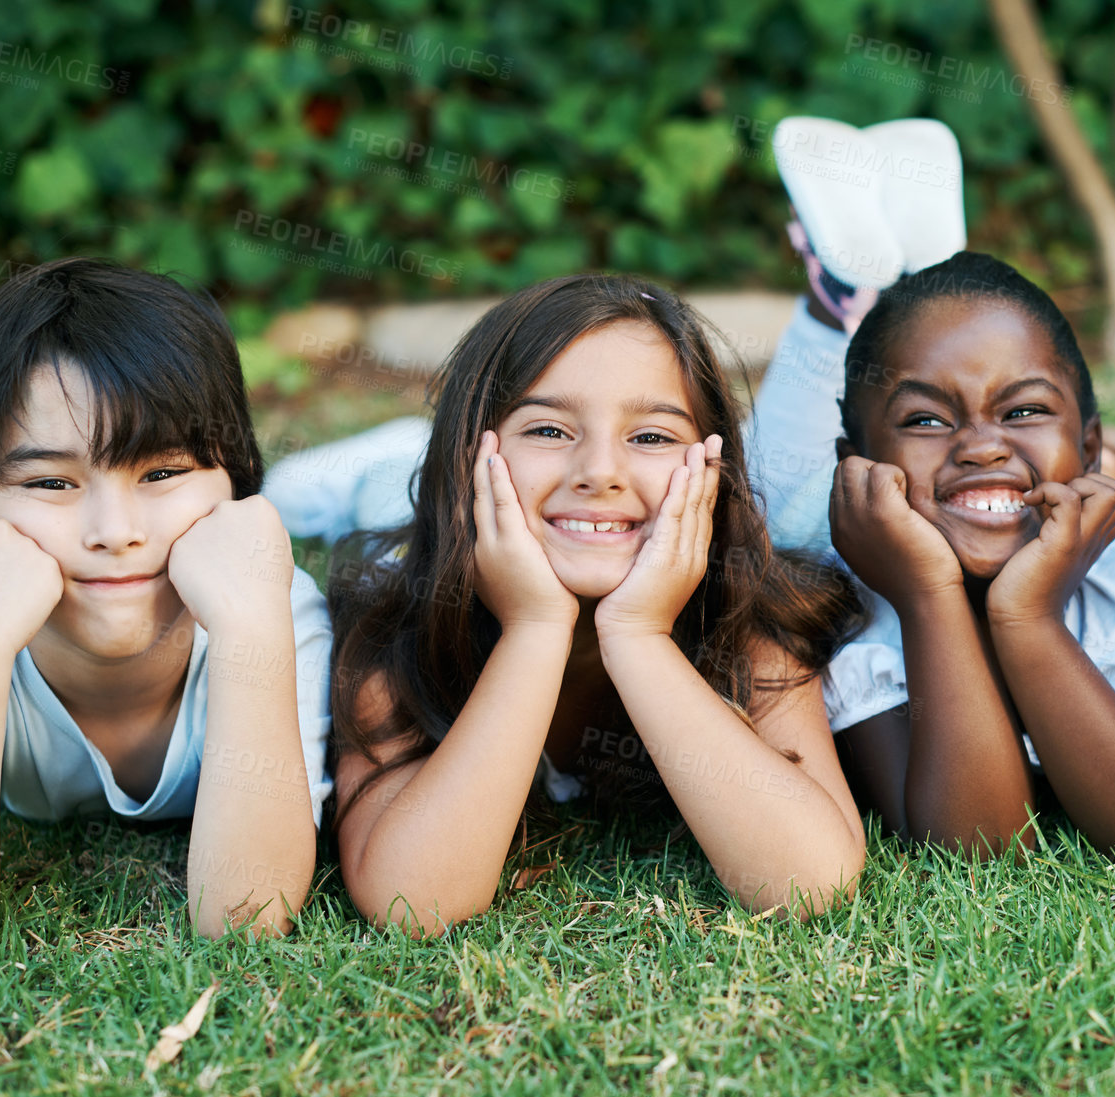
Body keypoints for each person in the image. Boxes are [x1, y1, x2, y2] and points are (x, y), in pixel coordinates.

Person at [325, 274, 867, 933]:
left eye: (651, 438)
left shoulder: (755, 628)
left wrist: (638, 635)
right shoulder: (393, 641)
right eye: (549, 430)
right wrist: (534, 626)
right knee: (374, 493)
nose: (599, 471)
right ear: (469, 452)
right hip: (416, 518)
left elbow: (809, 881)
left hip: (569, 528)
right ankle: (380, 458)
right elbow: (414, 902)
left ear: (711, 471)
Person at [0, 258, 333, 959]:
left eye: (161, 472)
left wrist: (250, 633)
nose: (115, 530)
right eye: (52, 480)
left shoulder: (271, 608)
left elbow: (246, 916)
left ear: (237, 484)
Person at [818, 252, 1115, 858]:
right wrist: (927, 595)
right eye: (925, 419)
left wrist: (1027, 617)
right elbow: (978, 847)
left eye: (1024, 410)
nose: (981, 446)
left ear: (1088, 447)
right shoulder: (840, 599)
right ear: (857, 466)